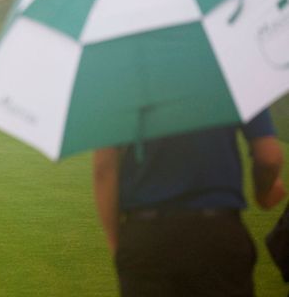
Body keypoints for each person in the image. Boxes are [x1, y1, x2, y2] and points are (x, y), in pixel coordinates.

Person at [93, 109, 285, 296]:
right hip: (217, 235)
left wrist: (117, 243)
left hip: (146, 239)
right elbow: (269, 158)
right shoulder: (234, 78)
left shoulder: (122, 82)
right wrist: (263, 192)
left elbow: (103, 168)